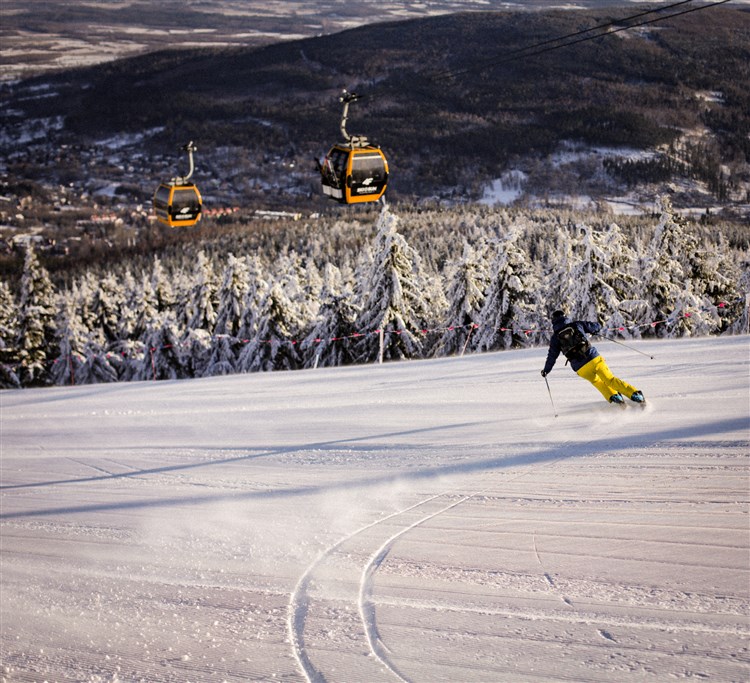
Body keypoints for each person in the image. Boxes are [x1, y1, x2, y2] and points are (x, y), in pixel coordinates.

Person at [541, 310, 645, 405]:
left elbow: (552, 356)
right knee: (610, 380)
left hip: (580, 368)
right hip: (593, 358)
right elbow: (596, 326)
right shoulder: (577, 324)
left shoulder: (555, 338)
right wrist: (595, 329)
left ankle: (614, 396)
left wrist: (546, 370)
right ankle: (635, 395)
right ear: (565, 317)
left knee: (596, 381)